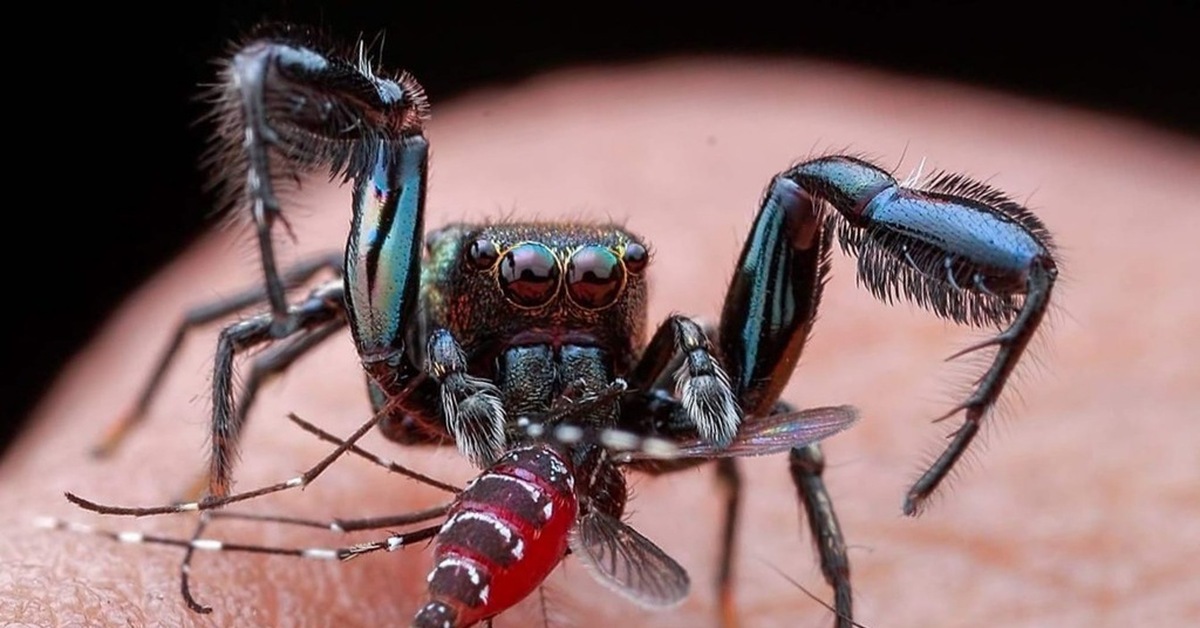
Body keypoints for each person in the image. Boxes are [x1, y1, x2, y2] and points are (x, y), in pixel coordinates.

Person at [2, 59, 1196, 626]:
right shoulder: (410, 335)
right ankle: (199, 474)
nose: (564, 304)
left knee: (807, 224)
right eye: (528, 285)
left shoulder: (656, 346)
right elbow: (246, 334)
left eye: (599, 286)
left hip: (593, 422)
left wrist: (711, 415)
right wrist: (205, 471)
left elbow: (754, 414)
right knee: (270, 314)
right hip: (436, 374)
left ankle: (789, 605)